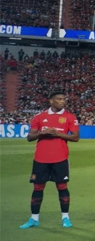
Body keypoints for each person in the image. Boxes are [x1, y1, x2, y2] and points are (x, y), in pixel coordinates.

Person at [20, 90, 80, 229]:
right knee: (38, 187)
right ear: (51, 101)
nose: (62, 101)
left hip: (60, 158)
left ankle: (65, 218)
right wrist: (43, 132)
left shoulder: (69, 117)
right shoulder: (40, 117)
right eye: (59, 99)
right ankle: (34, 219)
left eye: (63, 99)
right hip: (41, 158)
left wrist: (57, 133)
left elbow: (76, 137)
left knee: (62, 187)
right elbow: (30, 137)